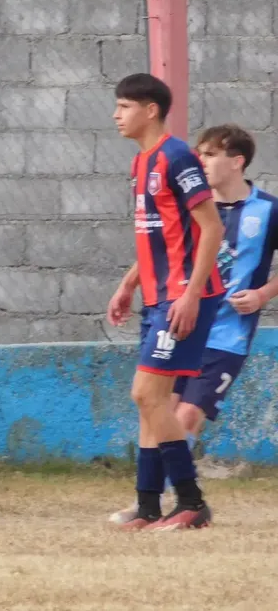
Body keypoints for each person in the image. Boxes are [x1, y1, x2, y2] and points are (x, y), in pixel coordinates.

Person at [110, 123, 278, 524]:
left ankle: (183, 503)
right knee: (155, 408)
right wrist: (128, 283)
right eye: (198, 153)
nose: (199, 161)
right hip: (182, 322)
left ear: (236, 162)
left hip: (226, 336)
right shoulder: (193, 203)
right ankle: (151, 503)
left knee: (185, 418)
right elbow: (161, 247)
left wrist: (263, 294)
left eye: (209, 154)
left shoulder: (268, 210)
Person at [106, 73, 225, 531]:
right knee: (149, 402)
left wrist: (192, 294)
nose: (117, 116)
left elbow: (211, 227)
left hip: (183, 298)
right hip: (157, 298)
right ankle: (148, 505)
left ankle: (192, 503)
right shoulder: (141, 163)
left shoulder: (177, 157)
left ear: (150, 110)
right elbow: (156, 235)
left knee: (147, 394)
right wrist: (129, 283)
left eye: (124, 106)